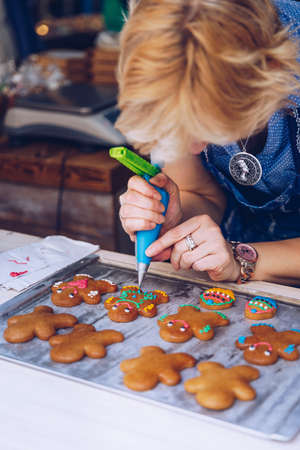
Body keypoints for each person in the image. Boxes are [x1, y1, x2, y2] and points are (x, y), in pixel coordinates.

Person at [115, 0, 300, 286]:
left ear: (264, 75)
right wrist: (175, 216)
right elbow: (199, 190)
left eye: (205, 128)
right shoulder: (170, 50)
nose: (190, 149)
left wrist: (243, 261)